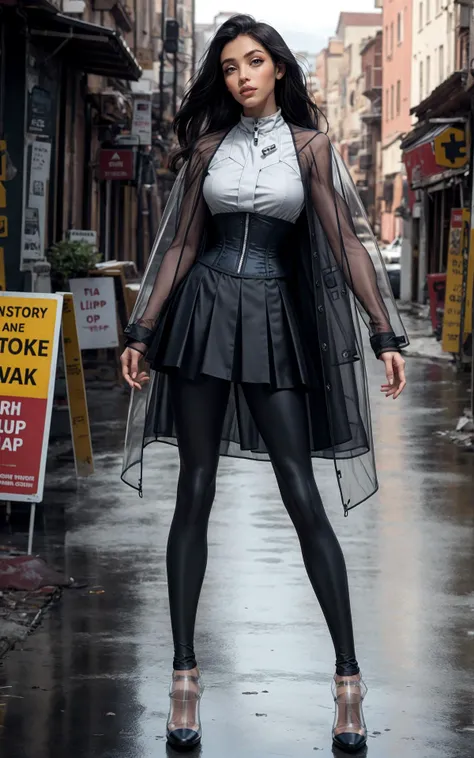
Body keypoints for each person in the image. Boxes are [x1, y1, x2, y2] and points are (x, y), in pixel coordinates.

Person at [120, 14, 408, 754]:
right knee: (195, 490)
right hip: (203, 316)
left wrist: (384, 332)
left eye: (254, 61)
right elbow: (183, 240)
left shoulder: (311, 148)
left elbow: (345, 239)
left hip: (275, 317)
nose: (242, 75)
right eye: (229, 67)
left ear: (278, 67)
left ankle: (348, 682)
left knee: (301, 493)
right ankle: (185, 678)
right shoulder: (206, 149)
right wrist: (143, 329)